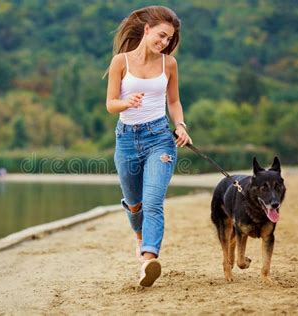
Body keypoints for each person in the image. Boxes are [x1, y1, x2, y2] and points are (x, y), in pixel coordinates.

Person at [105, 6, 192, 287]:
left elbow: (174, 102)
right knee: (135, 204)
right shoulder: (121, 61)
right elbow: (110, 104)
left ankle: (148, 261)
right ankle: (140, 237)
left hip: (160, 139)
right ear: (147, 30)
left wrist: (181, 126)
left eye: (169, 39)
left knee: (154, 202)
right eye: (161, 35)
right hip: (126, 139)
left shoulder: (170, 64)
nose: (164, 42)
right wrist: (126, 103)